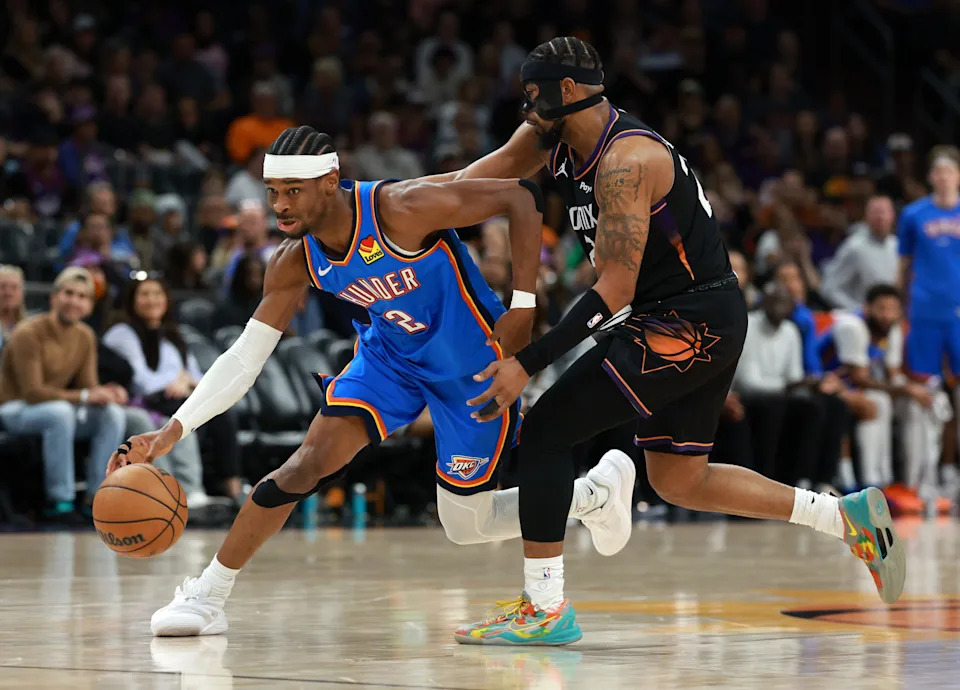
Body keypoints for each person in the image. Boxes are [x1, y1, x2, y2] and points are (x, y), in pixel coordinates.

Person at [433, 37, 904, 644]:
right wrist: (378, 203)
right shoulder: (549, 140)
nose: (524, 106)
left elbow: (615, 289)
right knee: (680, 479)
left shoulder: (627, 160)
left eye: (532, 93)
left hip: (687, 318)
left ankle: (544, 608)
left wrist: (529, 361)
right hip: (685, 313)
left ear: (569, 91)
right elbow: (465, 187)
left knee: (548, 428)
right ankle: (844, 517)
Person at [108, 125, 633, 637]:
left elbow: (520, 197)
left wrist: (523, 305)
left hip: (470, 366)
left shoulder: (400, 209)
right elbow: (246, 357)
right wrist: (171, 431)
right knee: (304, 464)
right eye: (272, 192)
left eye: (294, 191)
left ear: (330, 180)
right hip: (389, 360)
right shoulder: (294, 260)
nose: (281, 205)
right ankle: (208, 594)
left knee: (465, 525)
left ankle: (590, 494)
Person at [0, 267, 126, 522]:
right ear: (54, 298)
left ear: (90, 305)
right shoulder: (28, 332)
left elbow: (89, 387)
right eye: (68, 293)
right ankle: (60, 502)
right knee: (61, 413)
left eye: (82, 296)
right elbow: (33, 392)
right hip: (13, 408)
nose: (74, 301)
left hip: (53, 408)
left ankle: (97, 498)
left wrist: (108, 393)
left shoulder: (86, 336)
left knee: (110, 413)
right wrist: (83, 396)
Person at [819, 286, 951, 511]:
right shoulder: (852, 326)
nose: (887, 315)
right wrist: (907, 389)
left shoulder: (892, 329)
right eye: (881, 308)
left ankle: (913, 483)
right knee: (878, 402)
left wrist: (915, 390)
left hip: (861, 387)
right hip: (827, 384)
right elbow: (859, 378)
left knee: (916, 404)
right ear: (868, 308)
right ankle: (870, 482)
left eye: (893, 310)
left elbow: (892, 373)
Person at [102, 277, 218, 508]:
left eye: (157, 294)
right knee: (169, 423)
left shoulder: (171, 334)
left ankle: (192, 491)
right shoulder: (122, 333)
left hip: (164, 400)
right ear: (131, 300)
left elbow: (197, 375)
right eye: (144, 294)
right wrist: (177, 382)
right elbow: (141, 382)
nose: (151, 300)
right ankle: (167, 490)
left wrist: (185, 381)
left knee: (188, 420)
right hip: (131, 401)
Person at [898, 146, 960, 474]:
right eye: (938, 172)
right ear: (930, 177)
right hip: (923, 311)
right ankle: (923, 473)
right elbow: (904, 265)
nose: (944, 177)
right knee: (925, 392)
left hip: (958, 313)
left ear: (958, 176)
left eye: (949, 171)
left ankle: (951, 469)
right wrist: (901, 305)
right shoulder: (913, 214)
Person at [822, 195, 898, 310]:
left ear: (892, 216)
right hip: (862, 320)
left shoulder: (897, 246)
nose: (880, 217)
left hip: (893, 318)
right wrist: (857, 310)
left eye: (884, 212)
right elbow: (829, 288)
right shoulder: (854, 247)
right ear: (867, 216)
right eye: (876, 212)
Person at [0, 265, 26, 349]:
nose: (8, 293)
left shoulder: (31, 327)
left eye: (14, 287)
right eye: (2, 287)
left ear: (22, 292)